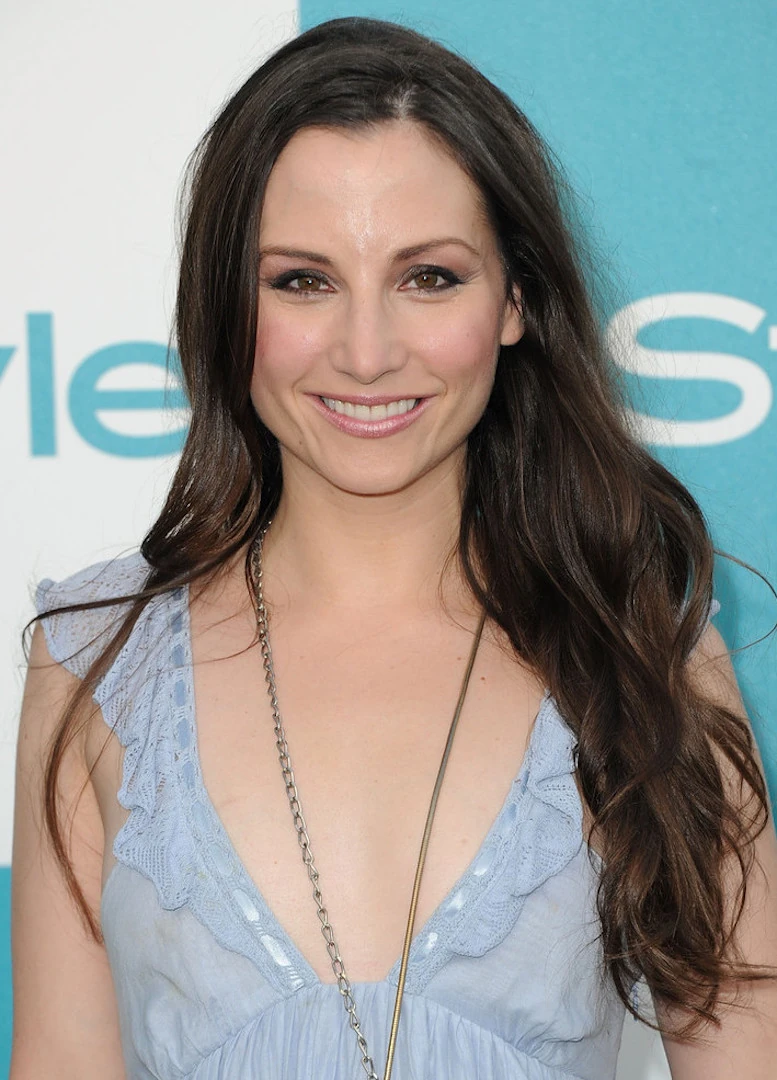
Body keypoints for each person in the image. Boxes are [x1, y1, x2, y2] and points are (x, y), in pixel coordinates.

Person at [10, 16, 777, 1080]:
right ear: (226, 304)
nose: (366, 353)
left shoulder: (646, 654)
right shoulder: (95, 664)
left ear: (514, 299)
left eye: (428, 278)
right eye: (302, 280)